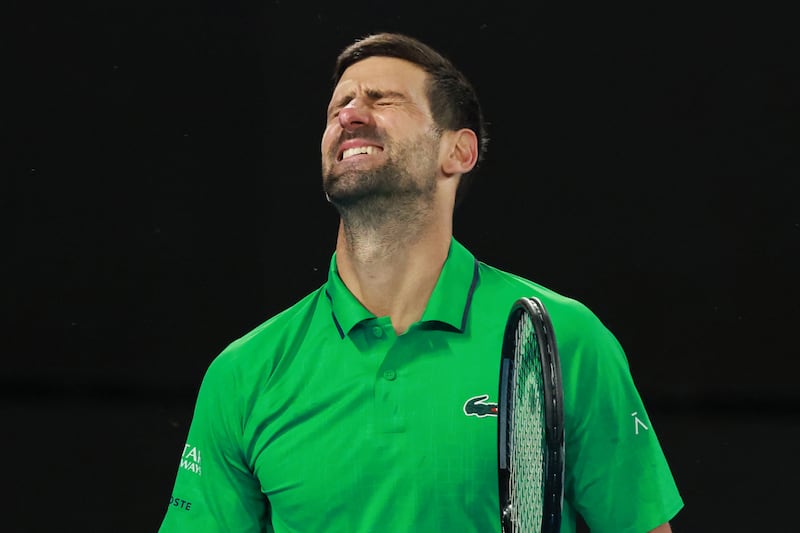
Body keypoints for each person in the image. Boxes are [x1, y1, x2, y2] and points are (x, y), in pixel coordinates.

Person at [158, 32, 684, 532]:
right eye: (338, 106)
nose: (350, 114)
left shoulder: (566, 340)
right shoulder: (244, 373)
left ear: (459, 151)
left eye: (383, 100)